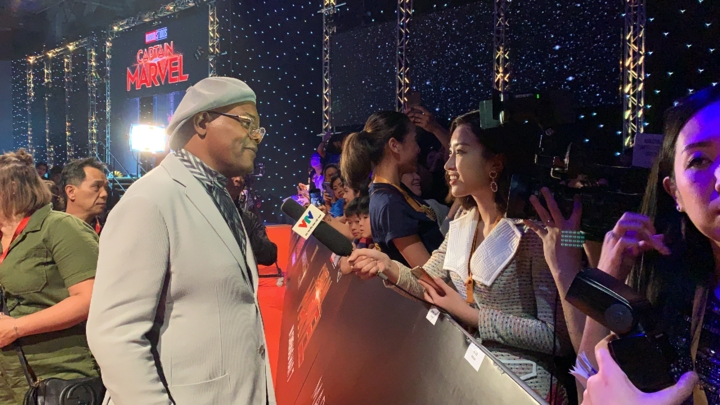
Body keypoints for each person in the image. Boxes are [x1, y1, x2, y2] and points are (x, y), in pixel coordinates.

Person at [347, 112, 588, 404]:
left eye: (460, 152)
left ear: (495, 163)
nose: (447, 165)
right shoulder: (463, 220)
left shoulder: (533, 231)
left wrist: (471, 315)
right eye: (450, 154)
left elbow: (557, 339)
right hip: (470, 367)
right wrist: (387, 266)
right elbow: (428, 280)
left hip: (523, 382)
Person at [86, 77, 276, 405]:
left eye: (258, 129)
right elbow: (115, 335)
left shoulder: (220, 198)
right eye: (247, 123)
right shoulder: (150, 200)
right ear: (202, 121)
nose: (255, 136)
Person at [578, 86, 720, 404]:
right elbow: (588, 383)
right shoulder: (675, 286)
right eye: (700, 160)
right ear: (674, 193)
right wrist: (604, 279)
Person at [0, 149, 99, 403]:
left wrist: (16, 327)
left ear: (11, 189)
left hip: (58, 379)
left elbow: (89, 299)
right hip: (9, 384)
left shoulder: (60, 227)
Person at [341, 111, 444, 268]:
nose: (418, 149)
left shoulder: (392, 192)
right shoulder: (389, 204)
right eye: (414, 140)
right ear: (394, 145)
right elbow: (428, 272)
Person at [227, 176, 278, 266]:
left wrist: (247, 233)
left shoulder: (249, 218)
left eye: (241, 175)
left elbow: (269, 256)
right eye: (233, 174)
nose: (238, 179)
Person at [60, 158, 109, 233]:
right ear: (71, 192)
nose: (104, 194)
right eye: (96, 186)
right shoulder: (50, 232)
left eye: (105, 187)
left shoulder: (109, 231)